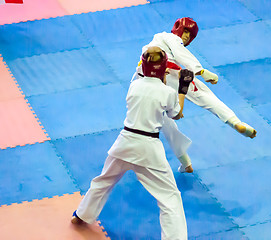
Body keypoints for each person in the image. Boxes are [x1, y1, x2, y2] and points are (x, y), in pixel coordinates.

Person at [71, 46, 194, 240]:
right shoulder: (167, 92)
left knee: (104, 180)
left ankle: (81, 215)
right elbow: (177, 114)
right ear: (162, 69)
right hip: (148, 148)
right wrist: (183, 88)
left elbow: (148, 78)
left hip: (124, 142)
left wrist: (161, 74)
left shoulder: (134, 85)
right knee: (170, 197)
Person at [133, 17, 257, 173]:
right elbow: (181, 53)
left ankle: (186, 164)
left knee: (165, 122)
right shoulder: (168, 37)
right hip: (170, 73)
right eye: (185, 31)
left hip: (146, 80)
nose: (185, 36)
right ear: (177, 28)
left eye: (189, 35)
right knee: (205, 96)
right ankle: (236, 122)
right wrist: (201, 71)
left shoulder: (152, 45)